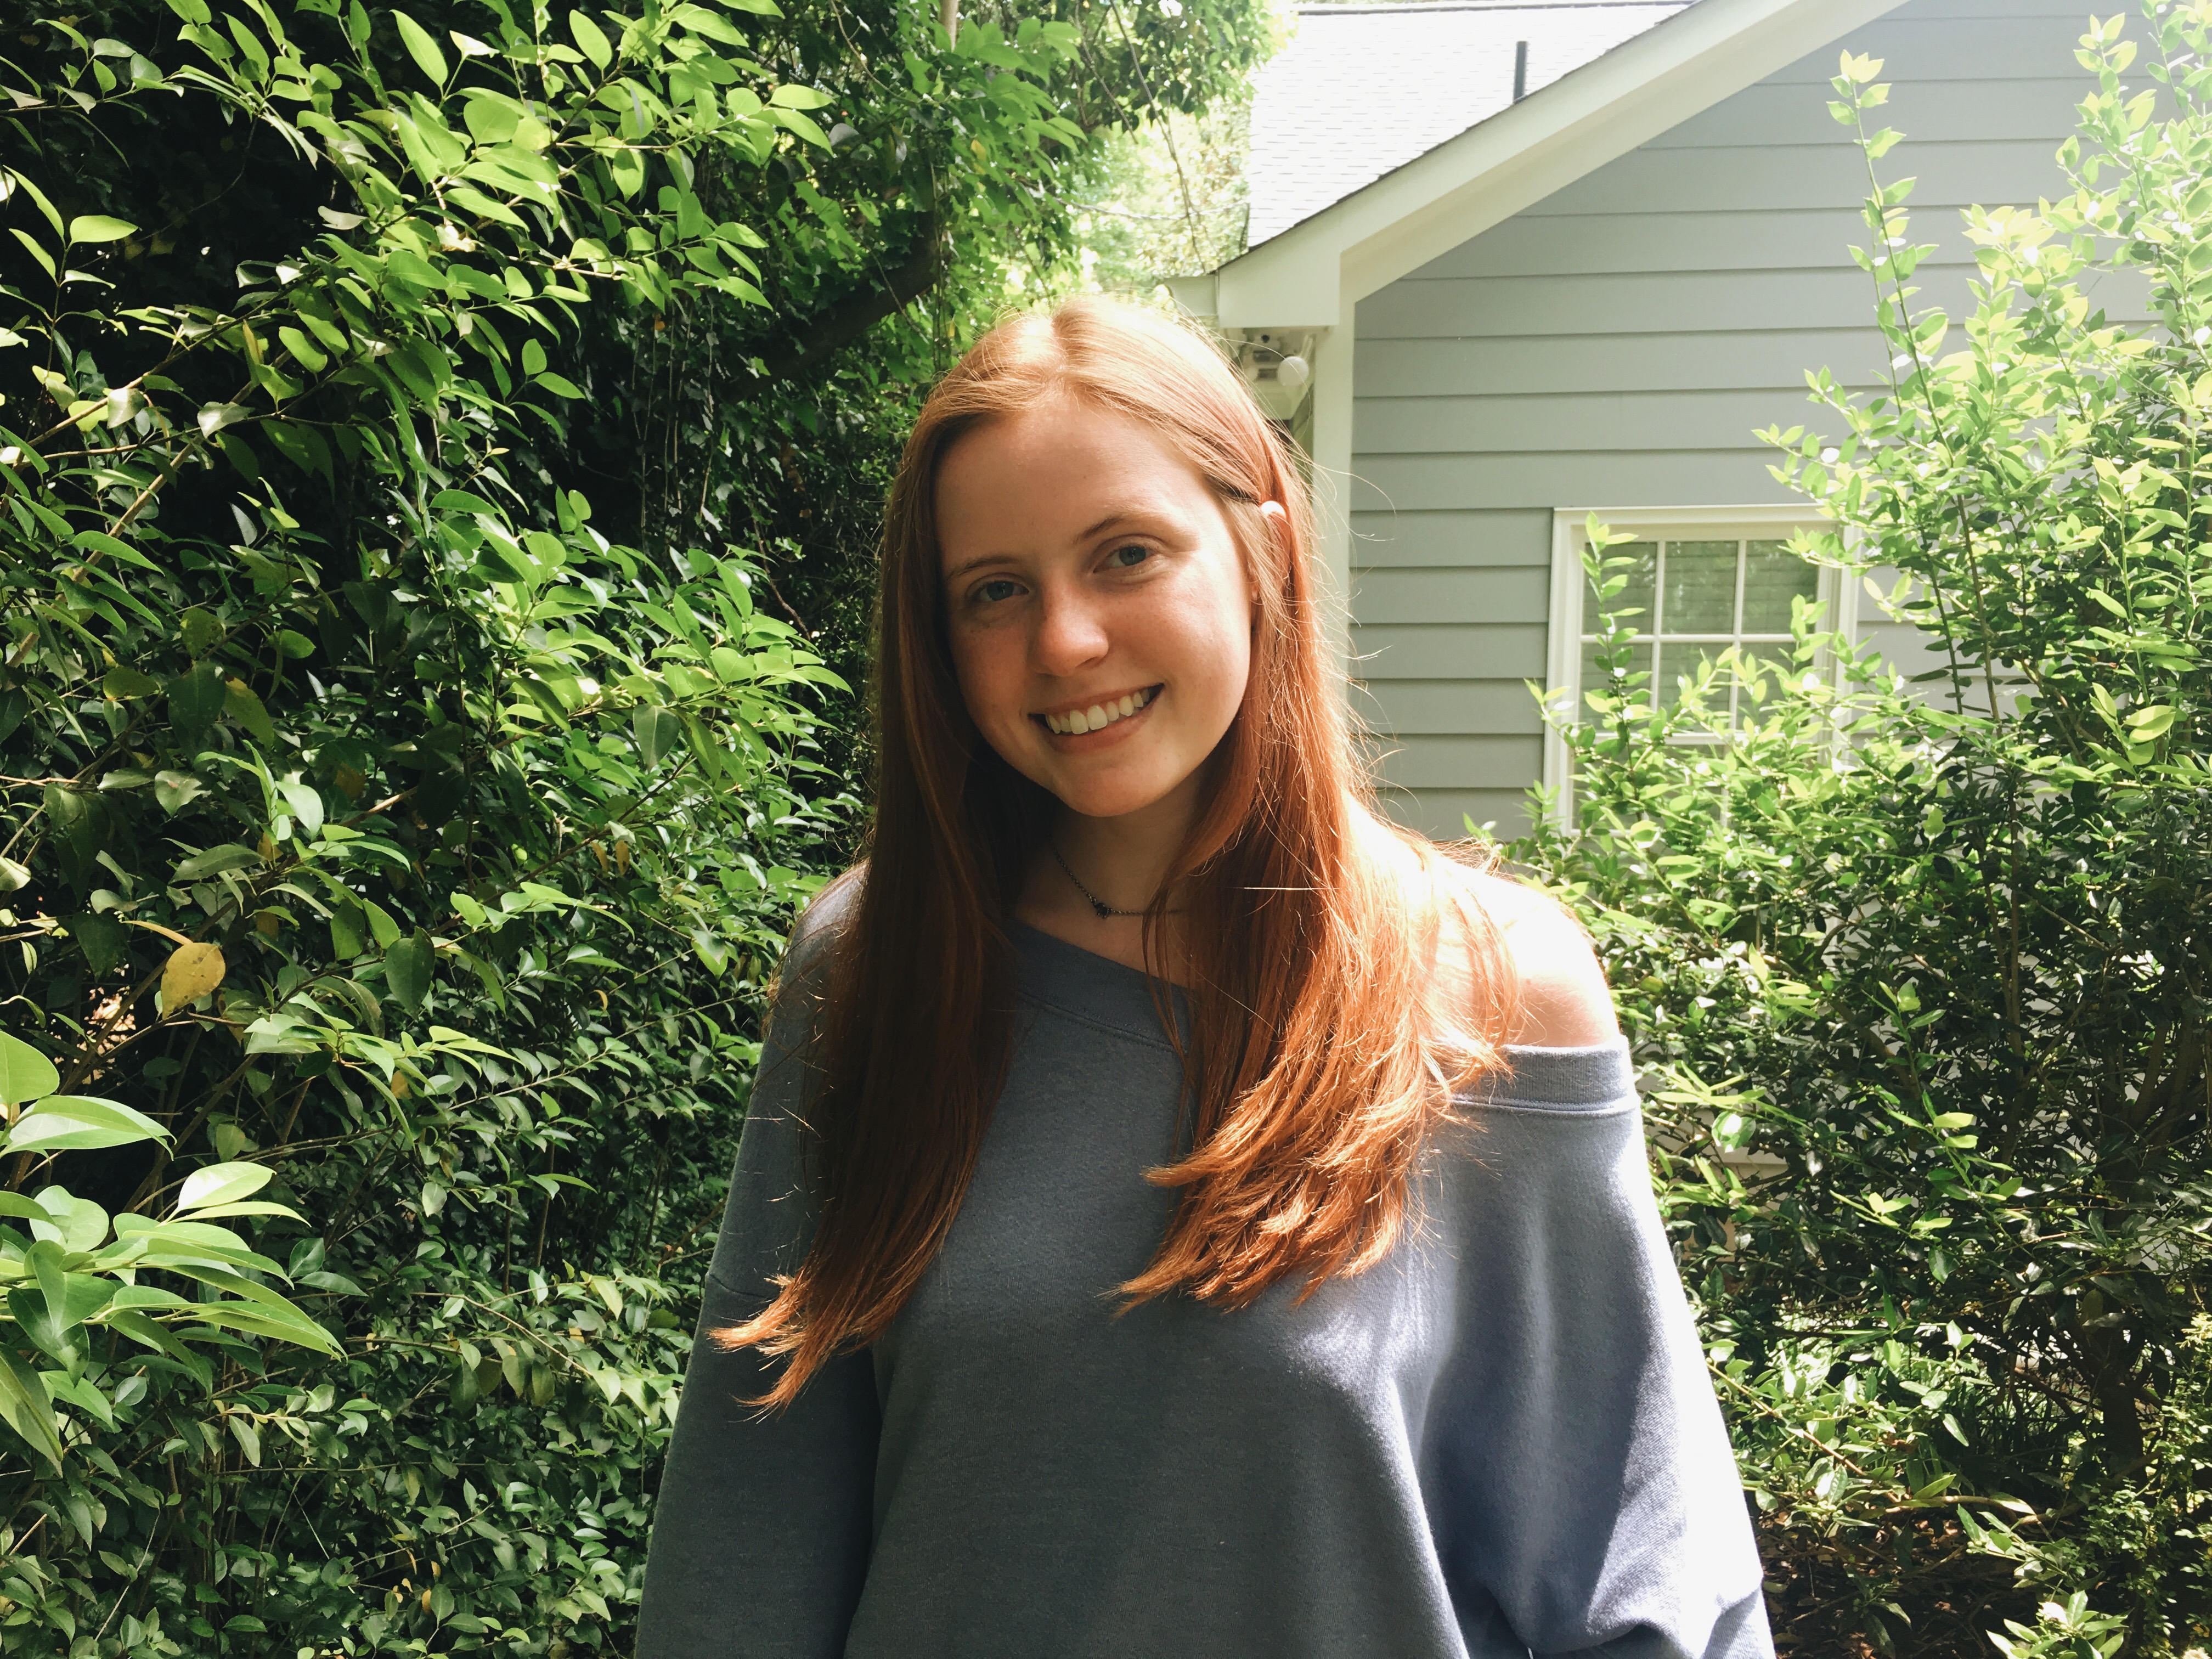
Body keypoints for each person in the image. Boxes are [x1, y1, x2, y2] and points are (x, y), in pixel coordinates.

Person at [636, 297, 1771, 1658]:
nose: (1065, 640)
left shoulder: (1493, 991)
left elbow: (1646, 1578)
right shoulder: (877, 968)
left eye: (1126, 554)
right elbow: (746, 1547)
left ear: (1263, 553)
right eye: (994, 590)